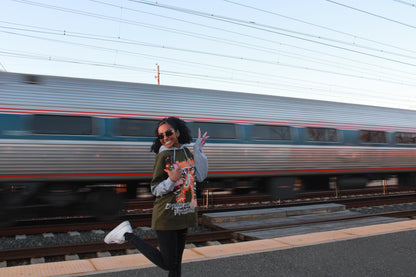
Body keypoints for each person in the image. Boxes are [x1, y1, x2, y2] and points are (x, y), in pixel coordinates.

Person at [104, 117, 208, 277]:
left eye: (168, 133)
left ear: (178, 132)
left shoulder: (187, 152)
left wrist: (198, 150)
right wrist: (171, 180)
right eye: (161, 136)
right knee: (168, 263)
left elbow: (200, 176)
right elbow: (155, 189)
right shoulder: (163, 156)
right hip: (167, 216)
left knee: (175, 266)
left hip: (185, 214)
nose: (165, 137)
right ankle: (127, 235)